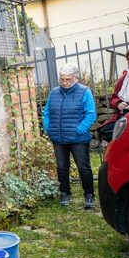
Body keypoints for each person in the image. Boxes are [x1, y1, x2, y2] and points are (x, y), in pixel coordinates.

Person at [42, 63, 97, 209]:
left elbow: (91, 114)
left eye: (68, 79)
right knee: (62, 167)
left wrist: (79, 130)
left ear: (75, 78)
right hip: (58, 138)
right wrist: (48, 128)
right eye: (62, 79)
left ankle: (89, 195)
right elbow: (46, 112)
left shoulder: (84, 91)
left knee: (83, 168)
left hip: (78, 138)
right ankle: (65, 193)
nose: (64, 82)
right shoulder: (54, 92)